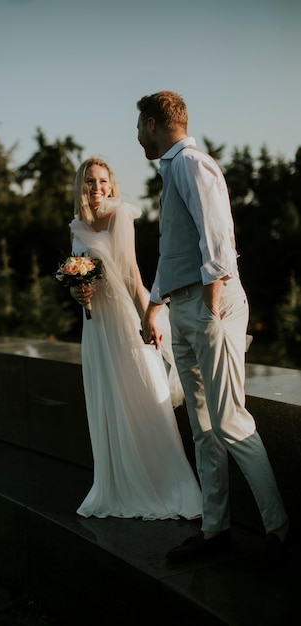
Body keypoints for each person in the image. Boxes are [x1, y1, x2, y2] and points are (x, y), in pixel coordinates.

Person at [137, 90, 288, 565]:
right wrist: (155, 307)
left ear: (154, 124)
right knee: (202, 427)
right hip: (184, 309)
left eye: (140, 125)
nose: (137, 135)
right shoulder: (173, 168)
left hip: (210, 309)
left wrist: (210, 304)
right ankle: (214, 530)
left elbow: (218, 239)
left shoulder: (190, 163)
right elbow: (176, 250)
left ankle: (279, 531)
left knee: (229, 420)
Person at [69, 156, 202, 521]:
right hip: (96, 328)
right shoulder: (77, 225)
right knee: (108, 400)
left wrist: (149, 319)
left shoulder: (121, 215)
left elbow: (131, 275)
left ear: (111, 184)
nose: (97, 188)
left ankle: (164, 483)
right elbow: (80, 275)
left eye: (102, 181)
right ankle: (117, 483)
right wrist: (77, 294)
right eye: (89, 182)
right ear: (80, 187)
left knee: (143, 394)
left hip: (125, 318)